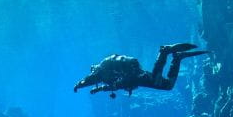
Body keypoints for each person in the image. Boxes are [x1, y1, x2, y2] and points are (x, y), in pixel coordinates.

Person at [73, 43, 210, 98]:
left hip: (134, 75)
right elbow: (111, 86)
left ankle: (164, 52)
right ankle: (177, 58)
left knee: (157, 80)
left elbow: (89, 80)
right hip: (134, 71)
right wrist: (97, 90)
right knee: (168, 85)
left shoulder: (101, 72)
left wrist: (78, 85)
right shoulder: (108, 74)